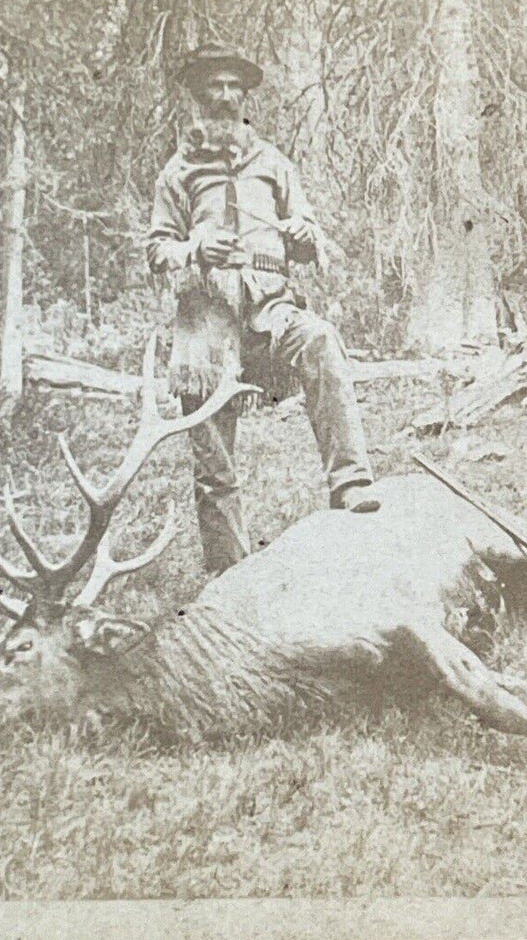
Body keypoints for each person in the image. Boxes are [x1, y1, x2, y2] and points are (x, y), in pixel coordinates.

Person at [146, 42, 380, 574]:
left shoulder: (272, 163)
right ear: (199, 97)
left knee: (319, 338)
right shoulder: (177, 173)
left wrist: (304, 233)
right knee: (213, 459)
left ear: (245, 96)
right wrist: (192, 251)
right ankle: (230, 573)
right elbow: (157, 248)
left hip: (270, 315)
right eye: (216, 87)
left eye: (235, 87)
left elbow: (311, 235)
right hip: (205, 328)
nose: (226, 97)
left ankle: (350, 481)